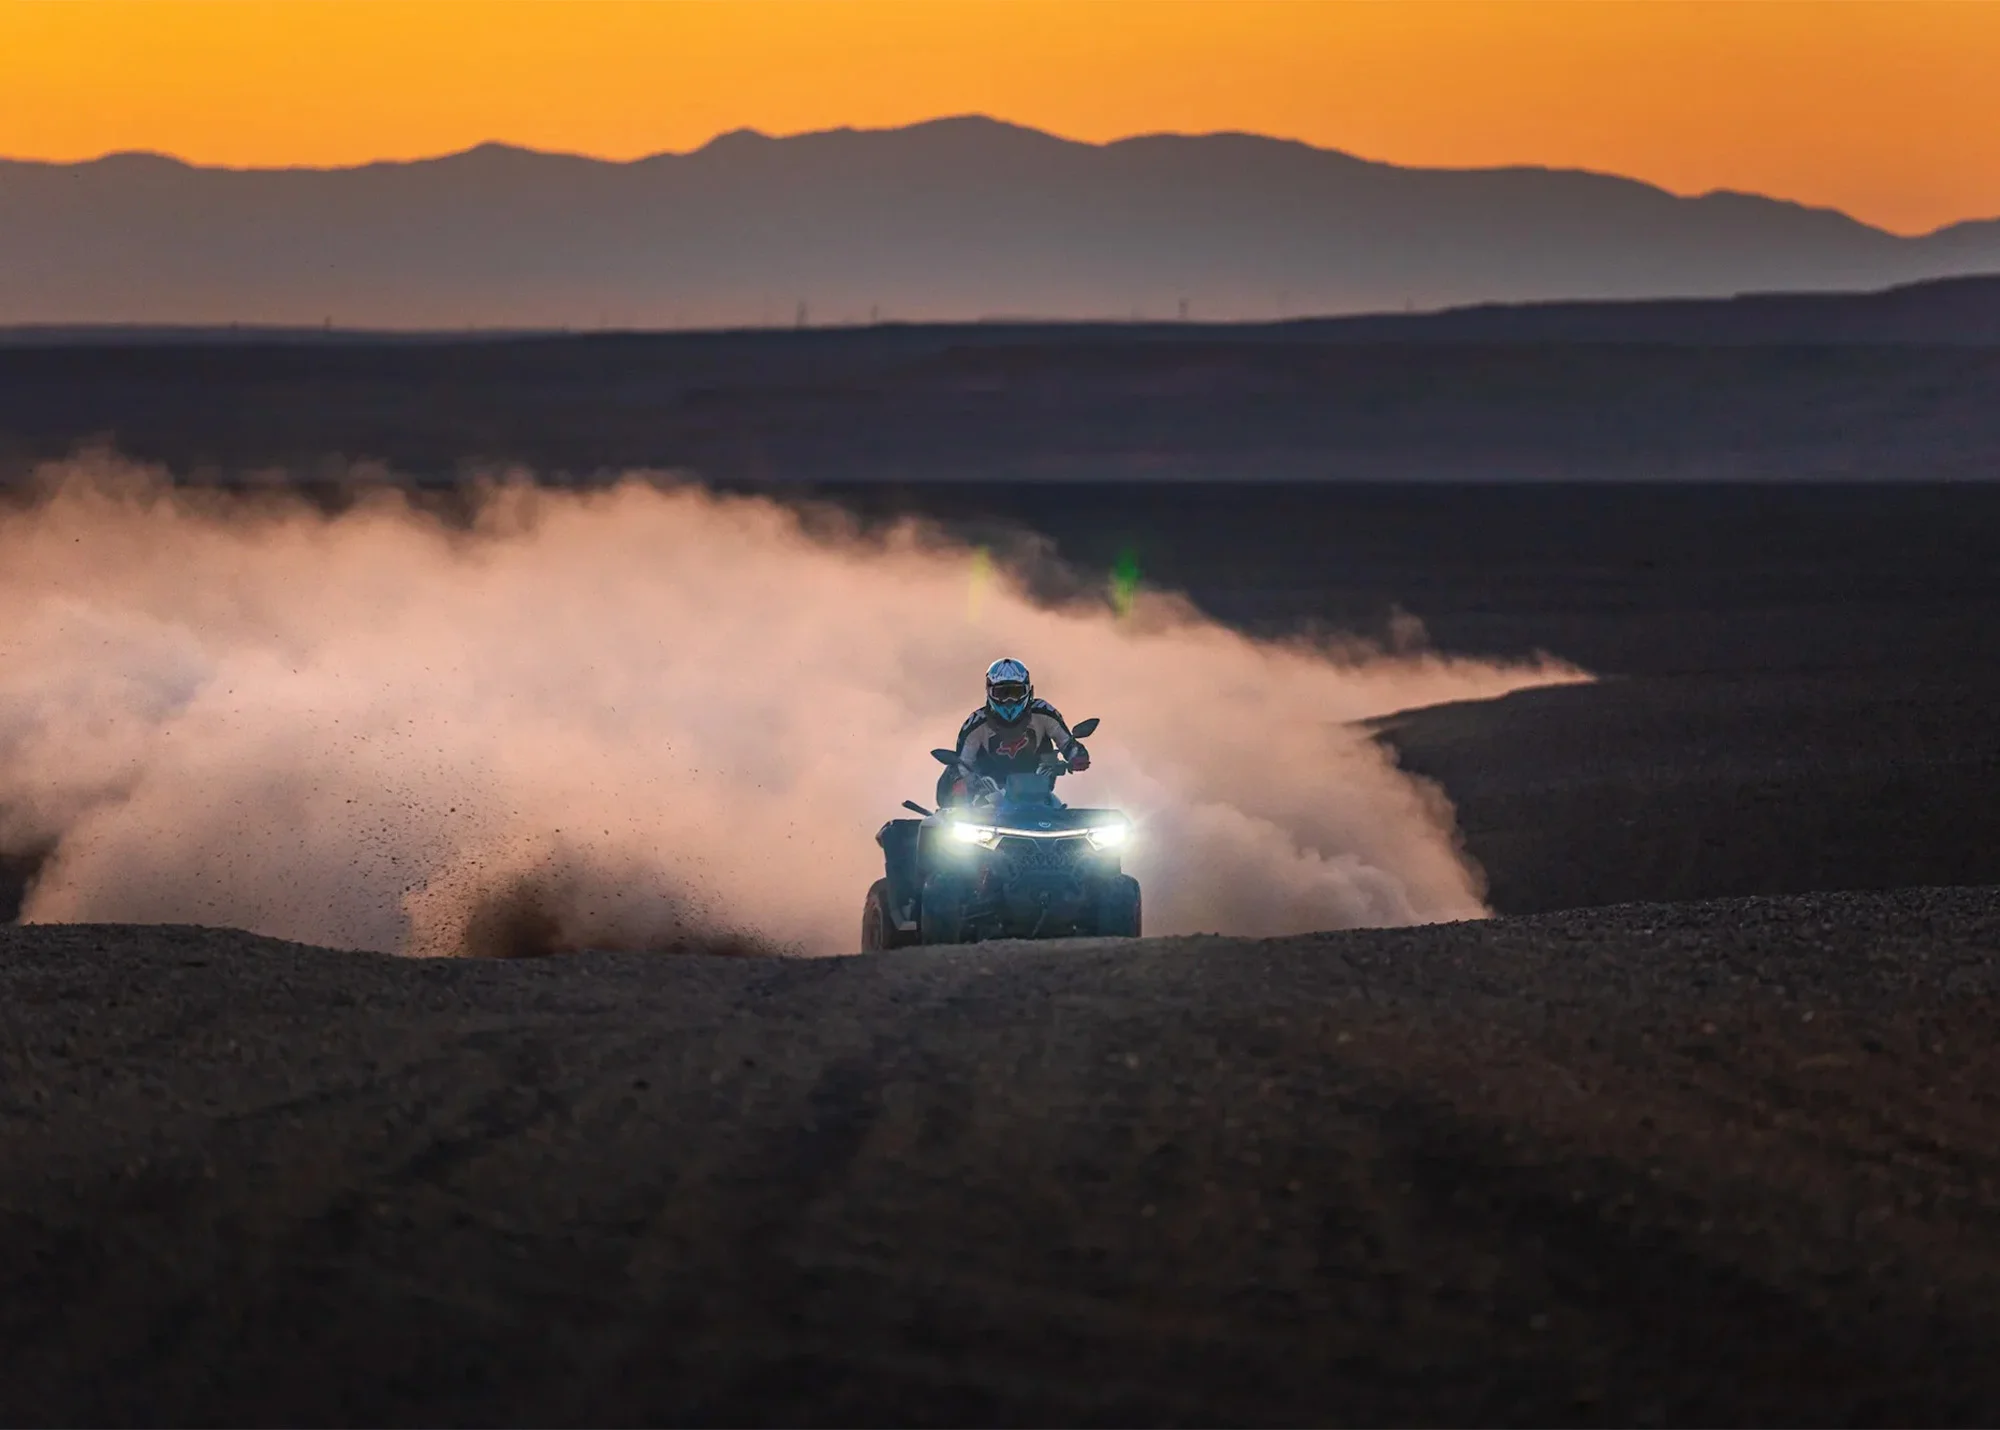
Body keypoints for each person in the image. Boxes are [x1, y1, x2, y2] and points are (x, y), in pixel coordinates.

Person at [936, 657, 1090, 808]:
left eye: (1016, 692)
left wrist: (1077, 756)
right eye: (1002, 693)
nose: (1009, 700)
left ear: (1028, 691)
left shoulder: (1045, 713)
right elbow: (962, 764)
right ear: (989, 692)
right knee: (956, 809)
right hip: (989, 798)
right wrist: (960, 782)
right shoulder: (975, 725)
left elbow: (1068, 743)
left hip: (1040, 796)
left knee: (1064, 812)